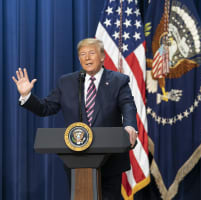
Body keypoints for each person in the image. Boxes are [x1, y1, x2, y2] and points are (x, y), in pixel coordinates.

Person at [12, 38, 138, 200]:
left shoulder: (118, 80)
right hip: (77, 157)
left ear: (102, 57)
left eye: (91, 53)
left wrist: (129, 126)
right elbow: (46, 108)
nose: (87, 58)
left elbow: (128, 106)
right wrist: (26, 96)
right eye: (82, 54)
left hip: (110, 159)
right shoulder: (67, 82)